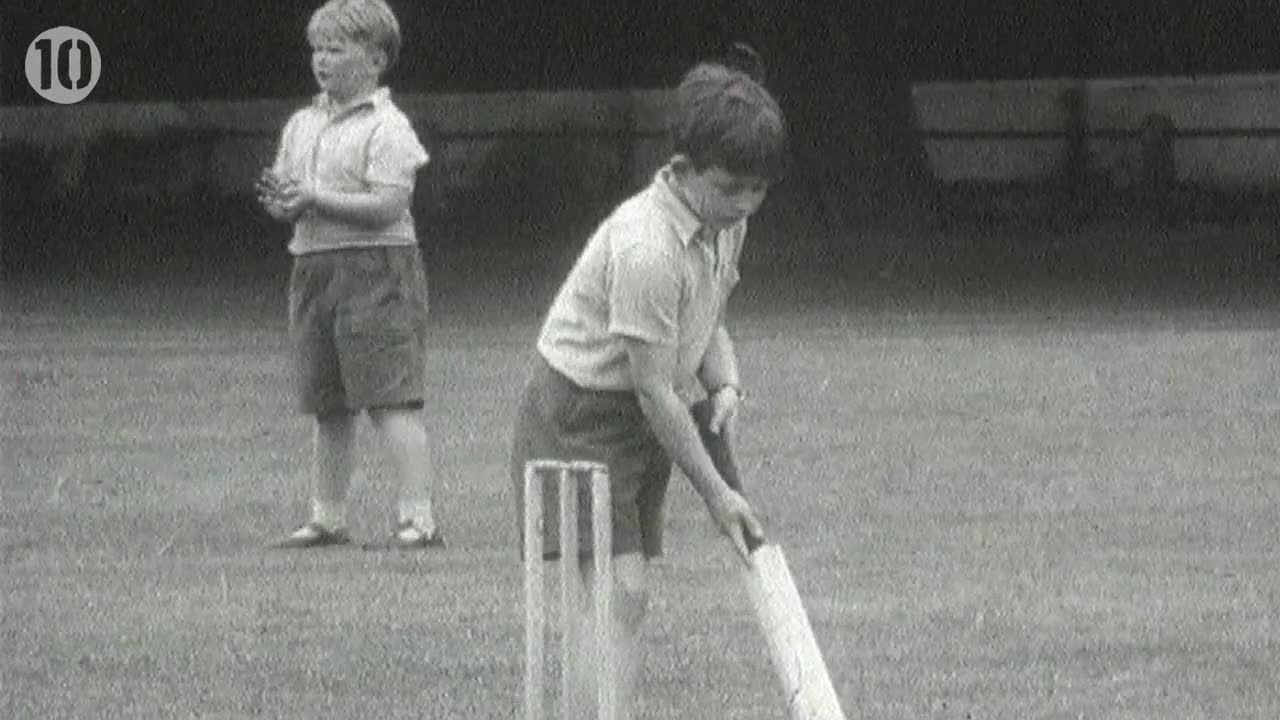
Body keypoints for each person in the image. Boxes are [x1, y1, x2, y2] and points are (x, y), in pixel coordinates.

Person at [509, 45, 788, 719]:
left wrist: (725, 384)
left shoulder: (727, 222)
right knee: (616, 594)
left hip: (638, 416)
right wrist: (719, 495)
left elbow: (709, 313)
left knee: (622, 599)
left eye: (758, 189)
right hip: (579, 413)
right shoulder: (646, 247)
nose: (744, 203)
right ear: (684, 167)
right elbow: (655, 389)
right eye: (729, 188)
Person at [256, 0, 442, 550]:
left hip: (378, 270)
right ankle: (327, 517)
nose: (323, 60)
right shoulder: (301, 123)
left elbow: (388, 204)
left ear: (377, 59)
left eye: (337, 49)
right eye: (317, 49)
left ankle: (419, 518)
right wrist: (285, 203)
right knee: (326, 403)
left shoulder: (388, 126)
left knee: (390, 399)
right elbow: (293, 196)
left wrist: (315, 197)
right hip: (312, 267)